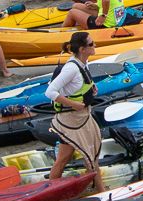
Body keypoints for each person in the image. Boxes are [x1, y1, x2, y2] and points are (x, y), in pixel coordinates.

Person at [44, 31, 102, 183]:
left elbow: (78, 85)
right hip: (71, 121)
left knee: (66, 157)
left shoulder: (83, 63)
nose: (95, 45)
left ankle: (97, 188)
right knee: (87, 156)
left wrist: (92, 87)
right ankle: (100, 192)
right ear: (82, 49)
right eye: (91, 44)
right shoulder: (72, 68)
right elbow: (50, 92)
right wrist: (74, 104)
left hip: (82, 117)